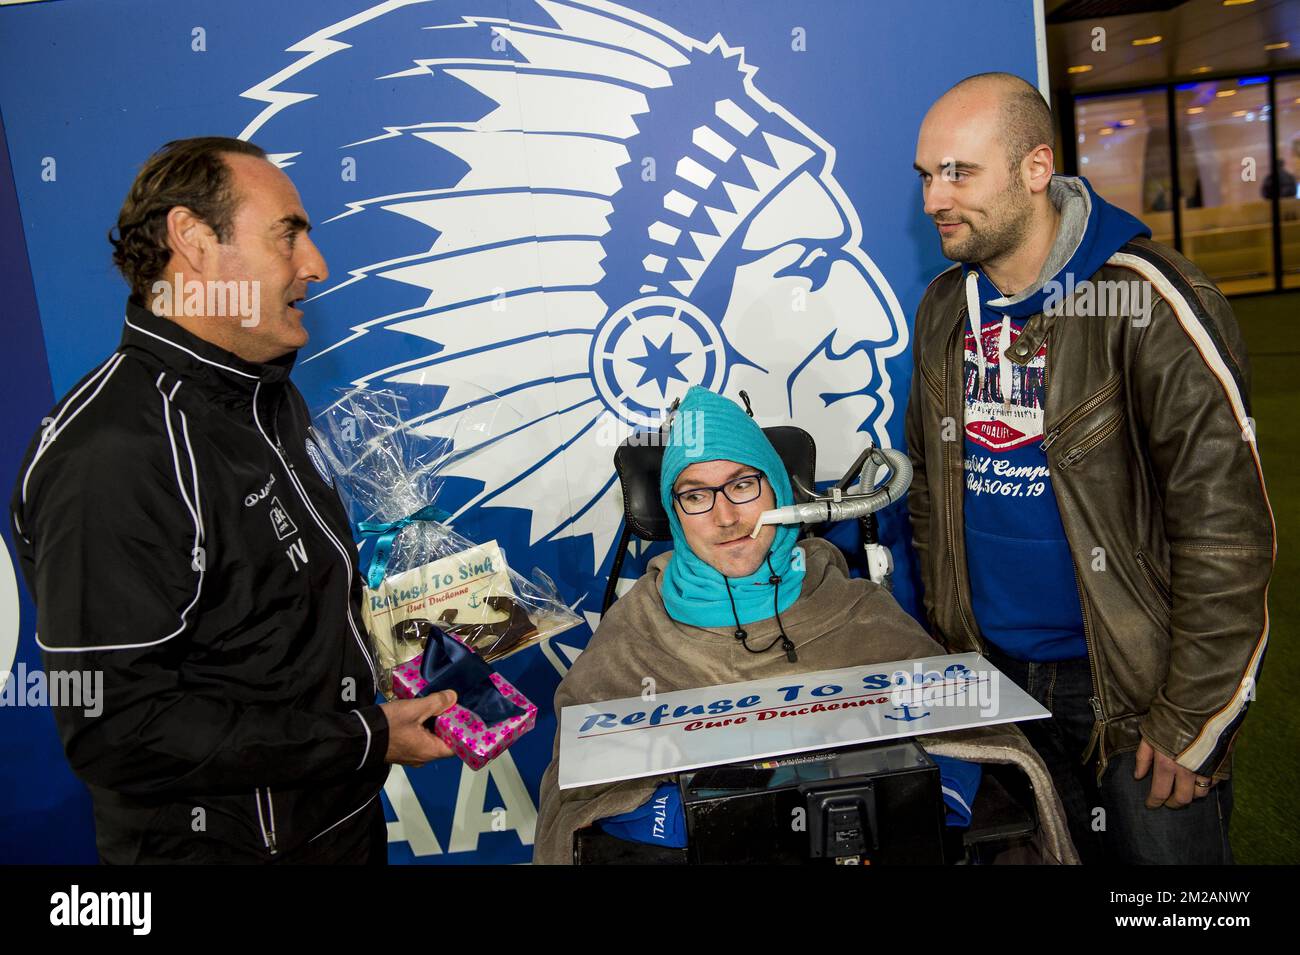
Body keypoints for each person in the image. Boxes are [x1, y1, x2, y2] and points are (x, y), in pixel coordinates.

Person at [10, 137, 458, 864]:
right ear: (193, 241)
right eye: (289, 233)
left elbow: (270, 628)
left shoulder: (266, 396)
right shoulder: (112, 456)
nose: (317, 264)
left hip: (338, 827)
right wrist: (366, 733)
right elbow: (114, 727)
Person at [907, 73, 1274, 864]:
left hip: (1134, 694)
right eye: (927, 175)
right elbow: (932, 494)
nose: (935, 197)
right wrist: (953, 645)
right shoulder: (943, 307)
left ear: (1036, 169)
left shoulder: (1150, 300)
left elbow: (1227, 534)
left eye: (959, 173)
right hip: (995, 682)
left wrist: (1193, 718)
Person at [533, 385, 1077, 864]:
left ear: (777, 489)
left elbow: (976, 733)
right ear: (674, 512)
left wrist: (924, 795)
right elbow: (575, 788)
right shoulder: (636, 631)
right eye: (696, 495)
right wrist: (672, 817)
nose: (725, 518)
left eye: (743, 485)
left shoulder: (854, 606)